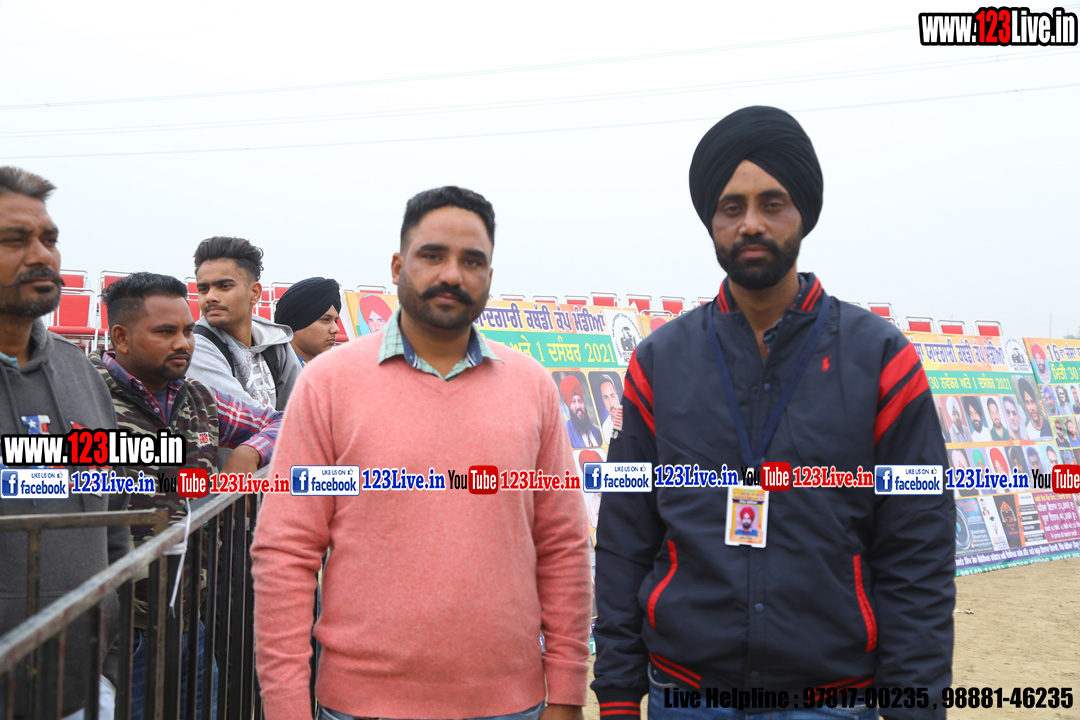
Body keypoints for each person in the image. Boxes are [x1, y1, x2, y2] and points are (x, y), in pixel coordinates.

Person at [592, 106, 954, 720]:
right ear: (711, 221)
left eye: (772, 203)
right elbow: (626, 539)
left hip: (832, 700)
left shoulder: (882, 361)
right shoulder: (658, 364)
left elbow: (917, 551)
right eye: (732, 207)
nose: (751, 223)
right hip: (687, 697)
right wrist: (620, 696)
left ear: (803, 213)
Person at [250, 186, 591, 720]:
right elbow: (286, 551)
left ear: (489, 277)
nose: (452, 274)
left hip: (513, 703)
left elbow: (564, 544)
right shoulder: (329, 385)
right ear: (397, 266)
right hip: (360, 705)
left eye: (471, 261)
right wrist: (286, 706)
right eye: (432, 255)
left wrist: (568, 691)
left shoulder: (532, 387)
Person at [92, 272, 283, 720]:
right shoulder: (86, 394)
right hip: (115, 631)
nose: (183, 343)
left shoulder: (198, 397)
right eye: (165, 332)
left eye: (187, 331)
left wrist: (249, 452)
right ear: (120, 337)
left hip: (187, 621)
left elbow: (281, 420)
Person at [0, 166, 127, 719]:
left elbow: (112, 514)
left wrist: (108, 663)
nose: (41, 255)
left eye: (48, 239)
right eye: (14, 240)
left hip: (83, 687)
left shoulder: (79, 371)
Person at [187, 236, 301, 412]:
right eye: (203, 289)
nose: (210, 297)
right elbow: (248, 418)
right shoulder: (195, 348)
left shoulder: (275, 342)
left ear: (254, 293)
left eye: (224, 286)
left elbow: (304, 410)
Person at [274, 276, 342, 367]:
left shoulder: (331, 369)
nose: (336, 329)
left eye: (336, 321)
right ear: (298, 321)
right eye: (325, 319)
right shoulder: (268, 369)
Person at [561, 374, 603, 448]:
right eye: (573, 402)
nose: (578, 406)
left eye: (580, 401)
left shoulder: (597, 432)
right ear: (569, 406)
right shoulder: (565, 433)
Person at [595, 374, 623, 444]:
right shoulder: (605, 428)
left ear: (617, 397)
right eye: (606, 398)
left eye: (612, 396)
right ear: (603, 402)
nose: (611, 404)